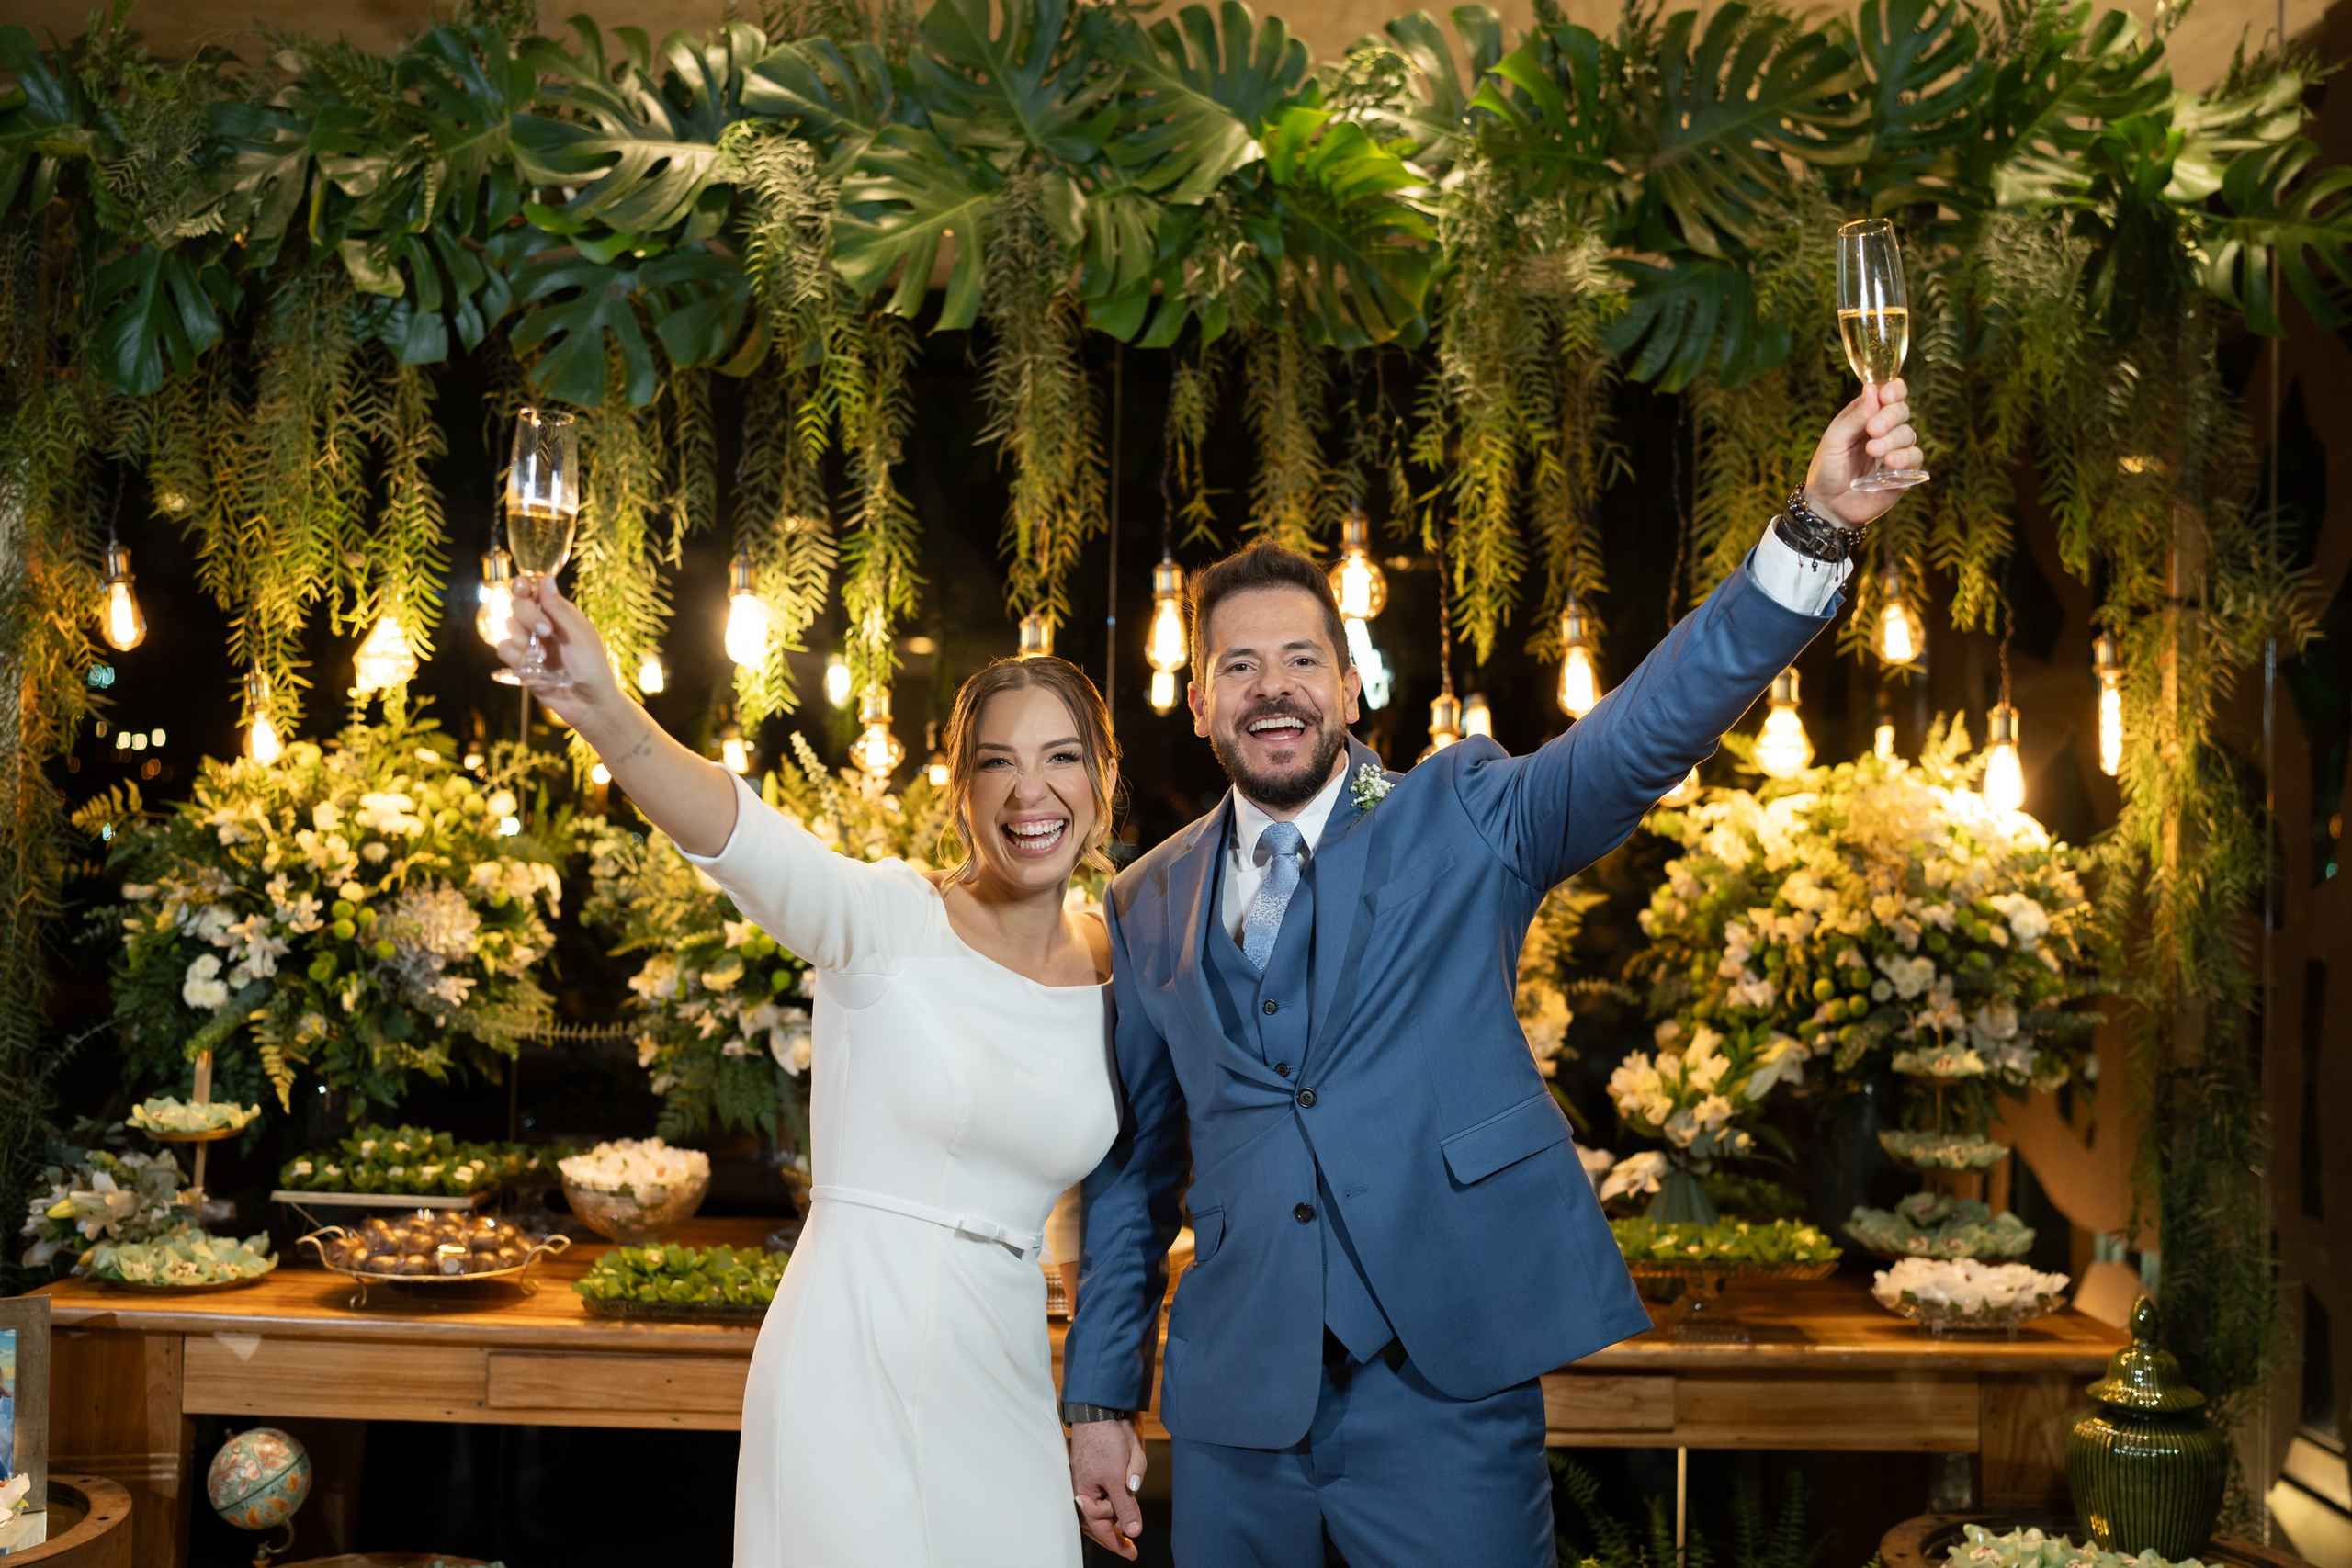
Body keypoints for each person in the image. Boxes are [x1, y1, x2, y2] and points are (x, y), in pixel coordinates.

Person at [1061, 384, 1927, 1565]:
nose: (1273, 686)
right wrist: (1101, 1398)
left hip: (1441, 1384)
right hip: (1235, 1411)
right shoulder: (1143, 896)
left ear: (1349, 688)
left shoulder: (1464, 812)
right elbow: (1133, 1175)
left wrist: (1815, 529)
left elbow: (1643, 730)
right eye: (1241, 666)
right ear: (1203, 702)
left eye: (1301, 659)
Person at [498, 593, 1122, 1568]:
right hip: (850, 1361)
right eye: (996, 761)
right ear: (958, 791)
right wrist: (601, 707)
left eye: (1061, 757)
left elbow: (1086, 1206)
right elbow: (737, 835)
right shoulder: (883, 923)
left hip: (1002, 1371)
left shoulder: (1115, 964)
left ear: (1104, 778)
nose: (1027, 792)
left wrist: (1097, 1405)